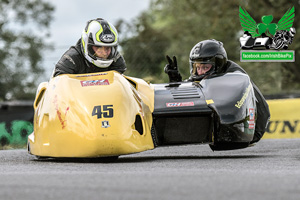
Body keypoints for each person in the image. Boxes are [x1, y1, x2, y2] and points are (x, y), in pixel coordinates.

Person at [164, 39, 270, 144]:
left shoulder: (235, 75)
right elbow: (194, 90)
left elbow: (261, 107)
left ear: (218, 64)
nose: (200, 72)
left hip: (254, 130)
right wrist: (176, 82)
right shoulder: (205, 76)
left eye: (205, 67)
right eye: (197, 67)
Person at [52, 18, 126, 77]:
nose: (104, 53)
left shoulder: (116, 59)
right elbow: (58, 86)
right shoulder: (71, 59)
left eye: (107, 48)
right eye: (98, 47)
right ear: (86, 44)